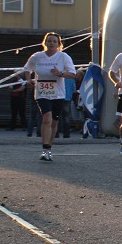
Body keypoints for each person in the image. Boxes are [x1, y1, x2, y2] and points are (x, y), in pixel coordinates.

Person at [22, 32, 78, 161]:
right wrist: (29, 79)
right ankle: (45, 148)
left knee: (54, 122)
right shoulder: (37, 56)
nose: (51, 43)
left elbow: (73, 74)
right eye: (49, 41)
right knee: (46, 118)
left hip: (58, 93)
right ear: (45, 43)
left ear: (59, 44)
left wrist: (60, 73)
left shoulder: (63, 57)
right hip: (42, 92)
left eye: (54, 41)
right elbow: (27, 68)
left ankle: (49, 147)